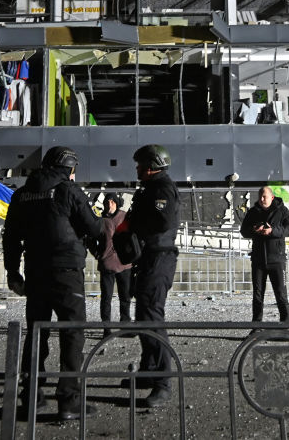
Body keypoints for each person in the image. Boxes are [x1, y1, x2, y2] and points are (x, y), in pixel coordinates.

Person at [3, 146, 103, 421]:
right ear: (69, 168)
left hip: (35, 272)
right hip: (67, 272)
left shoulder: (22, 195)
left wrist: (13, 273)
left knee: (37, 334)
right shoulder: (69, 191)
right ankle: (69, 401)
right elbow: (94, 227)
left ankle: (31, 397)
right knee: (72, 334)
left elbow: (10, 237)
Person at [125, 144, 180, 408]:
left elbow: (163, 221)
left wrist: (136, 227)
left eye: (140, 164)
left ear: (152, 165)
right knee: (143, 316)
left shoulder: (162, 189)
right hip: (149, 258)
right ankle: (148, 371)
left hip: (159, 257)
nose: (136, 169)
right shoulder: (151, 188)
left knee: (152, 317)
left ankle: (163, 383)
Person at [240, 186, 289, 323]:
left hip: (277, 259)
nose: (261, 199)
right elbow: (244, 231)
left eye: (264, 196)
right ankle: (256, 326)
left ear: (272, 197)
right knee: (258, 295)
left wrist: (272, 231)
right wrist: (255, 230)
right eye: (260, 196)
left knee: (281, 294)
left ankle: (286, 325)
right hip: (258, 260)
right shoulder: (253, 212)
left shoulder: (282, 210)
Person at [97, 193, 131, 334]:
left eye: (111, 202)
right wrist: (98, 254)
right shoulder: (100, 220)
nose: (108, 204)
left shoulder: (125, 217)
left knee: (125, 298)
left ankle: (126, 326)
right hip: (107, 264)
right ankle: (106, 329)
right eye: (107, 202)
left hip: (124, 263)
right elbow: (91, 238)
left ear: (116, 203)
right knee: (106, 299)